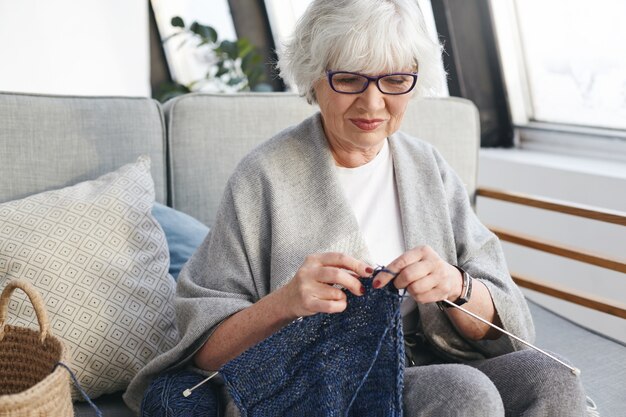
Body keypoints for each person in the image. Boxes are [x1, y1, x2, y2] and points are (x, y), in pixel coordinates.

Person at [125, 0, 588, 415]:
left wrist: (455, 284)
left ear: (414, 82)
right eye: (348, 79)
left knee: (553, 378)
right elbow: (204, 351)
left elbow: (507, 322)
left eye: (394, 79)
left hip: (434, 360)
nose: (372, 102)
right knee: (462, 392)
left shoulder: (429, 168)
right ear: (313, 79)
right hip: (324, 383)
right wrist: (285, 302)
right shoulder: (263, 176)